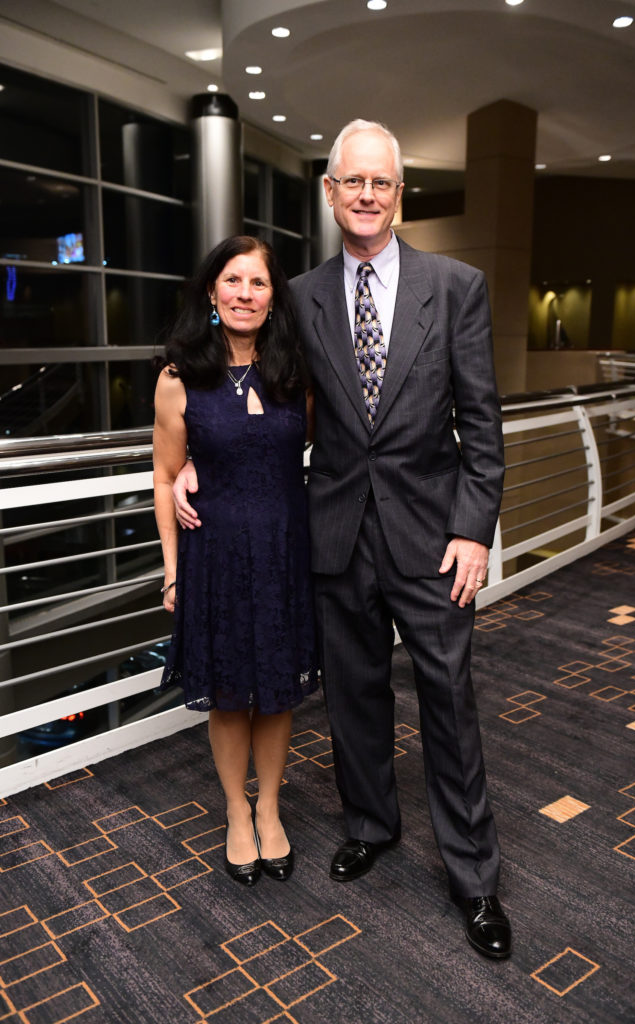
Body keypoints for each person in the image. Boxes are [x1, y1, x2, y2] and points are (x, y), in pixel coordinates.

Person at [173, 121, 511, 959]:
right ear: (329, 192)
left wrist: (474, 530)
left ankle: (474, 880)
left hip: (433, 540)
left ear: (401, 194)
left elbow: (482, 422)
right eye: (351, 182)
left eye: (382, 183)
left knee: (449, 706)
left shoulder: (456, 286)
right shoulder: (303, 297)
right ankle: (371, 823)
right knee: (354, 699)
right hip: (331, 536)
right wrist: (189, 463)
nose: (366, 195)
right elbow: (257, 383)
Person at [153, 235, 317, 888]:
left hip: (283, 552)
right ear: (212, 293)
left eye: (258, 283)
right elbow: (165, 477)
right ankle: (235, 812)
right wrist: (172, 570)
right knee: (228, 695)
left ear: (274, 298)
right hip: (213, 555)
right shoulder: (178, 377)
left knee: (276, 694)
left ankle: (271, 810)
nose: (245, 294)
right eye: (233, 281)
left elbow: (317, 451)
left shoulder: (295, 373)